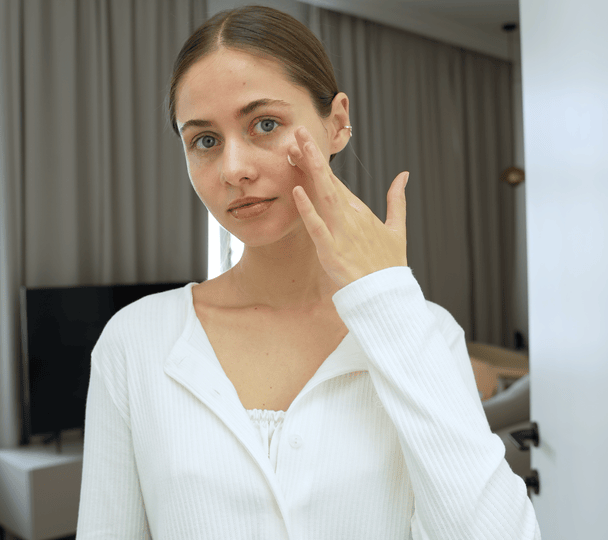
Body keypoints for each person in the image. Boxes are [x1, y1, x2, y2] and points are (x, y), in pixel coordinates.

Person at [76, 5, 541, 539]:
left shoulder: (427, 333)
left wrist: (388, 298)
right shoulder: (135, 341)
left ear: (337, 123)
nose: (234, 169)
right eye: (205, 140)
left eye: (265, 124)